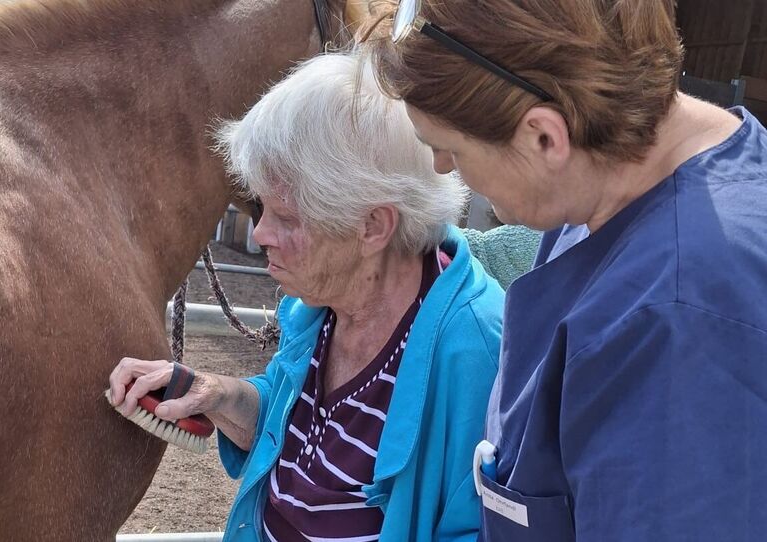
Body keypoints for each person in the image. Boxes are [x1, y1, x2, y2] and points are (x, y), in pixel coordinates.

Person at [361, 1, 767, 540]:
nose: (441, 166)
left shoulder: (679, 318)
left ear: (544, 138)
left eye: (448, 148)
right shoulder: (601, 185)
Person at [108, 52, 505, 541]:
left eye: (288, 219)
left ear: (373, 226)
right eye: (261, 208)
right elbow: (290, 431)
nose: (261, 235)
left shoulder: (478, 355)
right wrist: (219, 393)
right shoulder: (318, 307)